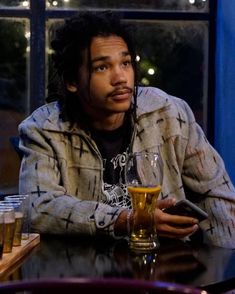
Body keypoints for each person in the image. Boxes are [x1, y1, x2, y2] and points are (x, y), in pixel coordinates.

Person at [18, 10, 235, 248]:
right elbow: (37, 207)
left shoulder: (169, 113)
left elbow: (218, 193)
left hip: (170, 266)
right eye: (102, 67)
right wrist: (124, 221)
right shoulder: (44, 129)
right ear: (72, 81)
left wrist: (224, 266)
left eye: (126, 63)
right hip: (87, 272)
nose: (120, 77)